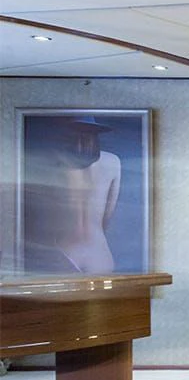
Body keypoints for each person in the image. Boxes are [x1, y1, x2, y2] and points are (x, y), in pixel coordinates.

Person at [23, 116, 122, 274]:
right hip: (100, 252)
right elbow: (108, 214)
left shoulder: (56, 163)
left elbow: (52, 214)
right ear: (96, 133)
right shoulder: (113, 162)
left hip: (67, 250)